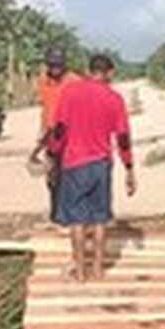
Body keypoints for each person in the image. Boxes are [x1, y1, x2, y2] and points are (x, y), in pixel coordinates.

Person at [46, 54, 137, 281]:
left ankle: (80, 270)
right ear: (110, 72)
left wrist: (51, 154)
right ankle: (97, 268)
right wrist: (129, 168)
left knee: (76, 220)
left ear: (89, 70)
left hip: (74, 163)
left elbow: (59, 129)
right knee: (99, 218)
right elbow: (123, 137)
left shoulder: (70, 92)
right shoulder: (114, 98)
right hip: (100, 164)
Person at [29, 47, 77, 220]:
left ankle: (70, 212)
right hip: (50, 137)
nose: (55, 68)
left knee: (70, 176)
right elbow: (45, 108)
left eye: (58, 65)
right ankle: (56, 212)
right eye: (52, 65)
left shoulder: (74, 82)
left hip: (71, 137)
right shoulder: (43, 82)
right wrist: (41, 134)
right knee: (52, 177)